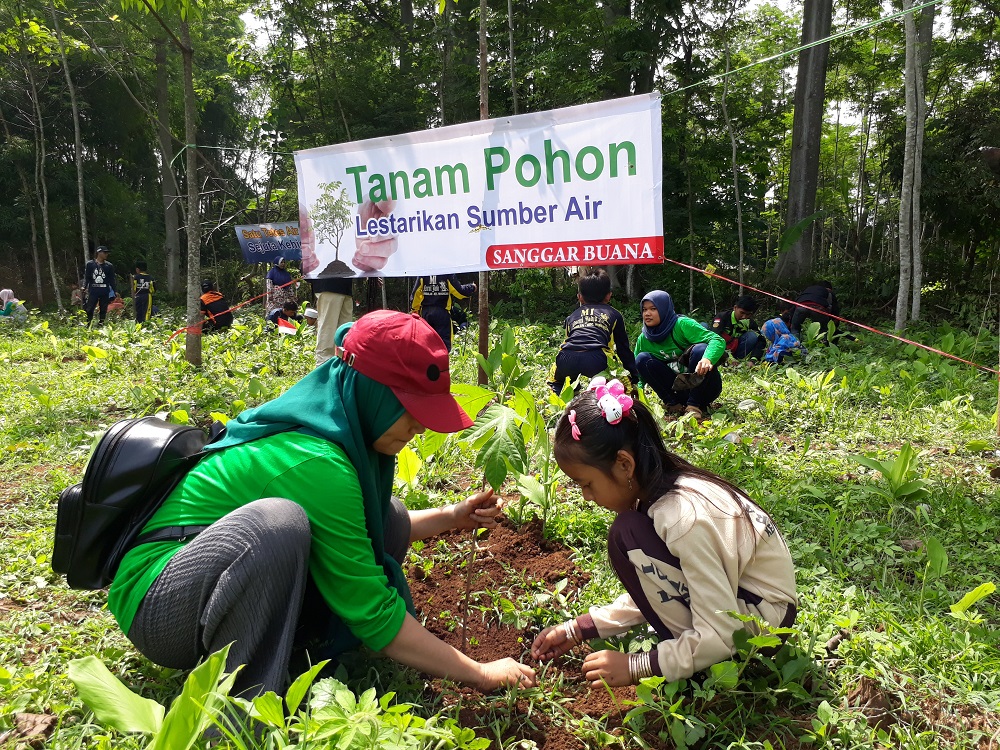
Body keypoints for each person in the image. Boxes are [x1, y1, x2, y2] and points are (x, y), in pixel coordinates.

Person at [106, 311, 537, 698]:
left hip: (205, 583)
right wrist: (479, 672)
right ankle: (245, 705)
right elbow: (373, 612)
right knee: (277, 525)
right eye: (409, 408)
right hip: (160, 604)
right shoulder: (319, 461)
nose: (420, 426)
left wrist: (449, 517)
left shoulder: (332, 416)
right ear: (374, 393)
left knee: (376, 517)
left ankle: (287, 646)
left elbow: (372, 526)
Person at [531, 381, 797, 687]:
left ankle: (704, 669)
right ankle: (694, 653)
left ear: (623, 464)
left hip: (763, 627)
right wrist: (580, 628)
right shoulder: (663, 491)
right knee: (629, 534)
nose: (586, 496)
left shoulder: (683, 520)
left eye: (586, 483)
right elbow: (665, 581)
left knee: (626, 534)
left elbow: (722, 630)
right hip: (748, 604)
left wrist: (638, 665)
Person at [633, 291, 727, 419]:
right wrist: (636, 395)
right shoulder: (644, 339)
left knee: (700, 349)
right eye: (644, 310)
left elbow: (717, 340)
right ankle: (673, 404)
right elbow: (637, 372)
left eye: (653, 309)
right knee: (642, 359)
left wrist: (707, 358)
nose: (647, 313)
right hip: (677, 390)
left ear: (664, 309)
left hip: (706, 388)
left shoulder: (681, 324)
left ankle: (694, 406)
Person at [548, 269, 638, 394]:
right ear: (608, 295)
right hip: (597, 359)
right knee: (624, 386)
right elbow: (623, 349)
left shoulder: (572, 317)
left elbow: (568, 342)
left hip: (566, 358)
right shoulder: (614, 314)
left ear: (580, 297)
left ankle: (563, 403)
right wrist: (633, 375)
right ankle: (622, 407)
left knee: (555, 382)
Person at [410, 274, 477, 352]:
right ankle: (443, 362)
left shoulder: (424, 272)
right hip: (442, 313)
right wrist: (472, 287)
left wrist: (414, 309)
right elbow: (459, 292)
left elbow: (416, 293)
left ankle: (428, 362)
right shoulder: (447, 272)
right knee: (444, 345)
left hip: (426, 313)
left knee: (426, 344)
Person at [309, 277, 353, 366]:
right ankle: (323, 368)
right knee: (327, 330)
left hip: (346, 287)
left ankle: (341, 367)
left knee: (344, 333)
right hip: (328, 285)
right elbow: (307, 267)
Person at [709, 295, 764, 361]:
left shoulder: (749, 322)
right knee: (704, 326)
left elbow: (761, 340)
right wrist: (728, 357)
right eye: (742, 313)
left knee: (752, 336)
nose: (744, 317)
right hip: (720, 350)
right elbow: (714, 336)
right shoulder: (722, 317)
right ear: (735, 308)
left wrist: (754, 359)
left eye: (748, 314)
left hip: (736, 351)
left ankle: (737, 360)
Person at [83, 246, 117, 326]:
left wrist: (115, 291)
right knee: (90, 308)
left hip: (104, 290)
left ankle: (101, 323)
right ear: (99, 253)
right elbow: (87, 277)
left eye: (107, 253)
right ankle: (88, 324)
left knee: (103, 308)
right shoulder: (90, 264)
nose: (106, 254)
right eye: (104, 253)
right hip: (93, 290)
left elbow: (112, 279)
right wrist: (84, 286)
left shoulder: (109, 266)